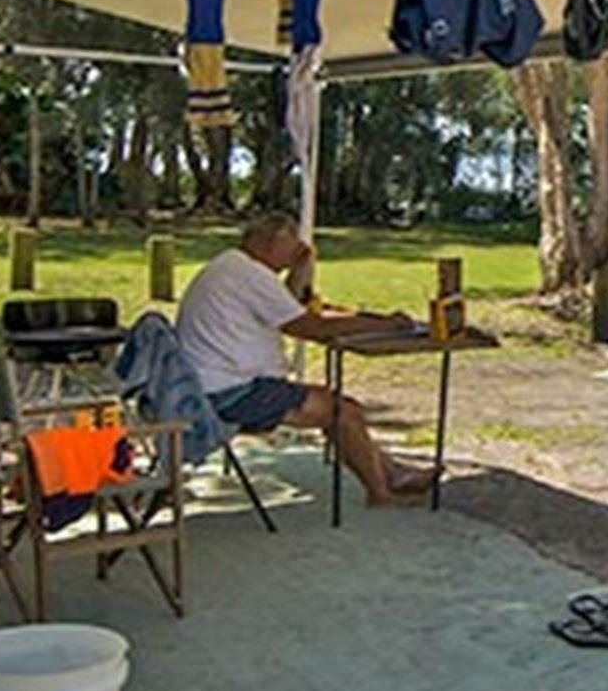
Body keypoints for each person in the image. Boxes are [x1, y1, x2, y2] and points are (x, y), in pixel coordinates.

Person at [176, 213, 433, 508]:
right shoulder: (249, 275)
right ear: (265, 243)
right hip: (233, 392)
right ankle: (381, 494)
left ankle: (393, 474)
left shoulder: (234, 267)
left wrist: (301, 268)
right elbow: (311, 328)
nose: (291, 256)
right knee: (344, 411)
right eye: (289, 247)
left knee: (337, 406)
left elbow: (288, 306)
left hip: (214, 385)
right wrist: (383, 325)